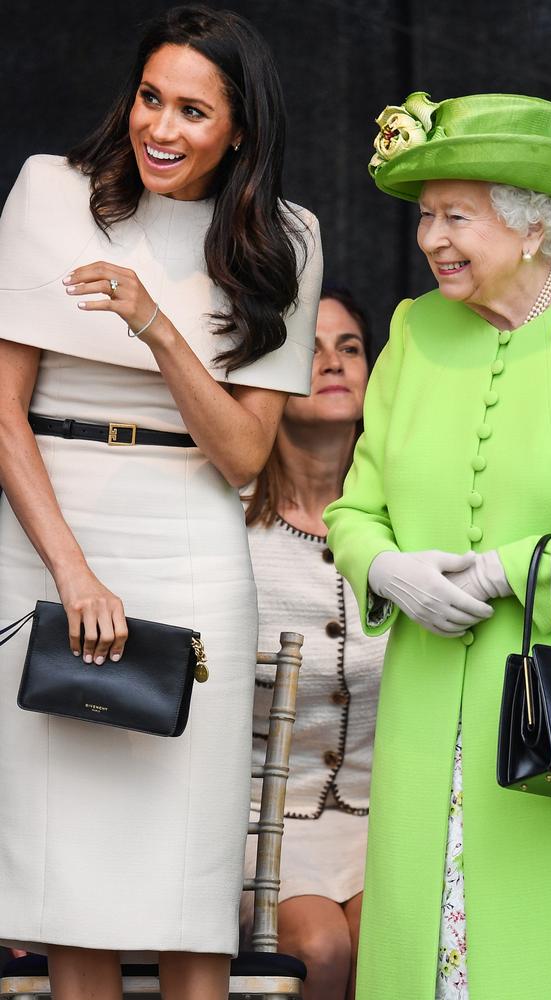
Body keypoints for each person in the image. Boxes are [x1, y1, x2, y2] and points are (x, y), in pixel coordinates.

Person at [0, 6, 321, 1000]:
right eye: (150, 98)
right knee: (72, 890)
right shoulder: (50, 193)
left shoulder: (284, 239)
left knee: (186, 885)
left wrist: (155, 325)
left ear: (239, 132)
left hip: (189, 542)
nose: (161, 128)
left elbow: (240, 455)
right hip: (46, 529)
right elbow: (3, 415)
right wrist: (72, 570)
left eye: (192, 109)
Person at [324, 91, 551, 1000]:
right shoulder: (413, 331)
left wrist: (505, 571)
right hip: (431, 719)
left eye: (456, 216)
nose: (432, 238)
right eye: (426, 216)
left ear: (533, 226)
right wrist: (388, 571)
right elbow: (356, 511)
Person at [241, 288, 386, 1000]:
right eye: (310, 347)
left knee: (390, 941)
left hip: (381, 820)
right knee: (321, 950)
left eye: (351, 347)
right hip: (256, 826)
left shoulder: (411, 524)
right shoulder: (228, 523)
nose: (333, 363)